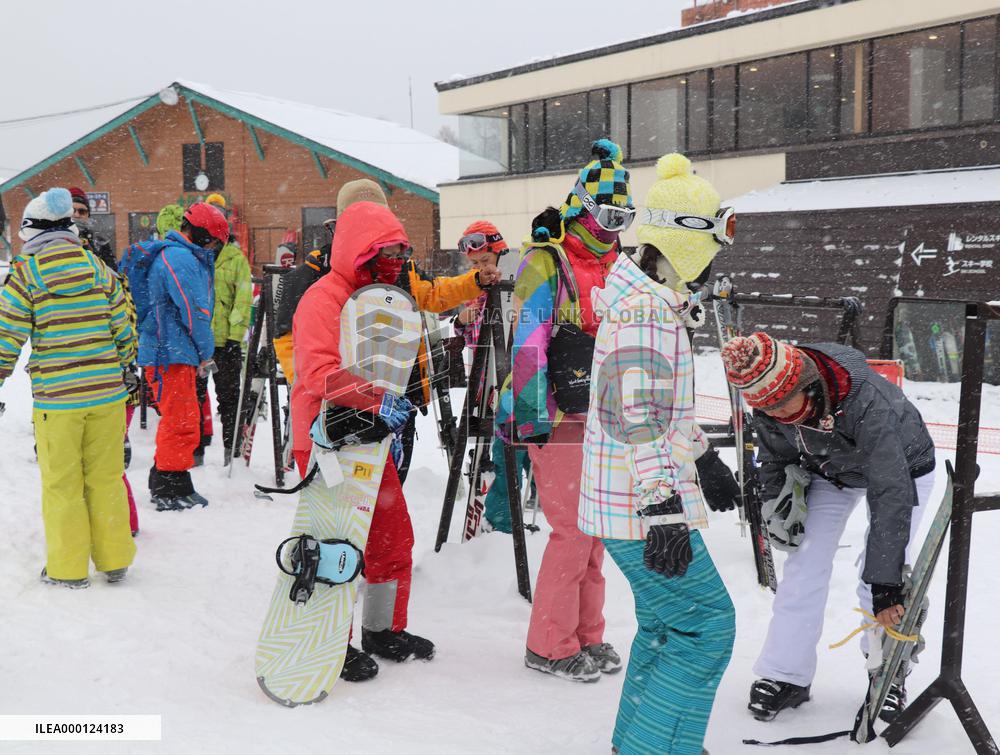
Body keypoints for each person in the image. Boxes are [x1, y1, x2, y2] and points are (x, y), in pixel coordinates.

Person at [291, 199, 499, 684]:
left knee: (391, 537)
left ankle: (382, 629)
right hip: (327, 437)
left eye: (402, 249)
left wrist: (385, 420)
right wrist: (374, 402)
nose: (398, 258)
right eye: (387, 250)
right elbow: (318, 372)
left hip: (370, 435)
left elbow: (429, 301)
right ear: (358, 250)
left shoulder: (388, 293)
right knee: (335, 544)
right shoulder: (325, 297)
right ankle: (328, 639)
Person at [580, 154, 739, 754]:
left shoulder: (651, 302)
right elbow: (634, 419)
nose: (716, 260)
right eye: (713, 244)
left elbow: (658, 410)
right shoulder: (647, 312)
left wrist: (702, 457)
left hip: (632, 501)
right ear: (686, 242)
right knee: (707, 629)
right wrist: (663, 508)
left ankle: (644, 743)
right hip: (640, 507)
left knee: (670, 628)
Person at [720, 330, 937, 723]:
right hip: (829, 468)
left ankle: (887, 676)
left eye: (787, 404)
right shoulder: (768, 402)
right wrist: (778, 505)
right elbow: (774, 458)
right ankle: (786, 675)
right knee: (804, 566)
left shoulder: (867, 399)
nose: (781, 415)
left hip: (903, 470)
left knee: (883, 584)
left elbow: (890, 488)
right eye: (770, 410)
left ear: (807, 383)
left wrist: (886, 580)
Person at [496, 139, 630, 682]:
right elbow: (527, 340)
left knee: (595, 531)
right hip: (554, 413)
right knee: (572, 530)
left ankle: (586, 636)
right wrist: (530, 415)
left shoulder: (618, 264)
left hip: (600, 413)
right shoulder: (545, 262)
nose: (611, 227)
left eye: (622, 216)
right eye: (604, 215)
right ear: (580, 207)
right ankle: (549, 644)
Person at [0, 187, 136, 587]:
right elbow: (124, 326)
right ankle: (115, 559)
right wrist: (125, 363)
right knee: (106, 478)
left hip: (59, 401)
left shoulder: (26, 274)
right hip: (108, 396)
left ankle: (68, 568)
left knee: (62, 485)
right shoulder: (98, 269)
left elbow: (6, 337)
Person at [131, 202, 229, 511]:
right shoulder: (180, 258)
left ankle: (170, 479)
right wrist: (205, 351)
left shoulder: (179, 255)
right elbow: (194, 310)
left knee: (183, 419)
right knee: (180, 421)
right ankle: (168, 485)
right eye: (214, 242)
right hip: (169, 352)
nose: (214, 249)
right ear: (202, 235)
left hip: (172, 351)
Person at [452, 221, 531, 533]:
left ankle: (502, 522)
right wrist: (462, 320)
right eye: (474, 264)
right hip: (488, 385)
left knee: (510, 452)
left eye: (485, 261)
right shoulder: (478, 292)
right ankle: (502, 519)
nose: (482, 268)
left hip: (514, 382)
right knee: (506, 451)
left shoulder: (516, 285)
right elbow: (474, 340)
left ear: (500, 255)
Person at [202, 193, 253, 462]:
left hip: (225, 344)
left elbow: (243, 299)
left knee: (230, 400)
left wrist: (234, 336)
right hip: (199, 343)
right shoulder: (197, 254)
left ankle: (231, 451)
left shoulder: (234, 258)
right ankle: (195, 450)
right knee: (195, 400)